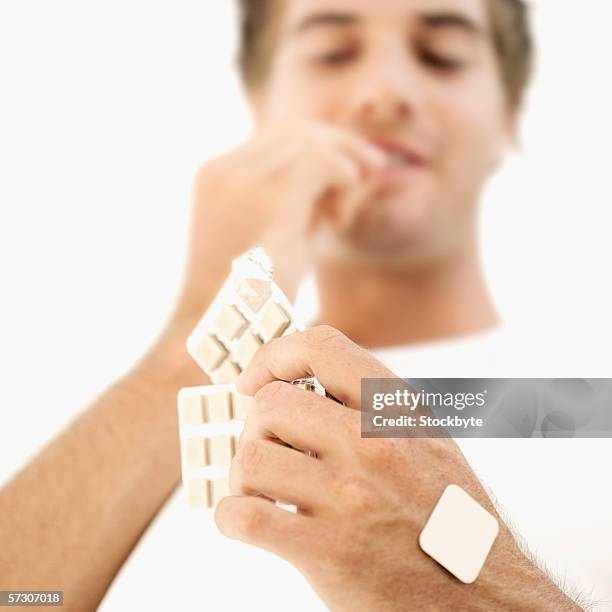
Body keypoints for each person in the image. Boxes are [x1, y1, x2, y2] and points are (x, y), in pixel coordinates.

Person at [0, 0, 608, 609]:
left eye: (442, 57)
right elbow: (26, 596)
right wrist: (202, 333)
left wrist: (457, 581)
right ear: (260, 107)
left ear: (506, 115)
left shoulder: (586, 405)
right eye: (332, 53)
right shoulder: (153, 442)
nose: (385, 91)